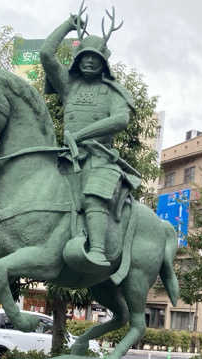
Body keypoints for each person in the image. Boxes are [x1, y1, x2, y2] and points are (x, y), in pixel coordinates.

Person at [40, 4, 139, 269]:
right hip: (66, 158)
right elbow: (46, 54)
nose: (90, 61)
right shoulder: (68, 85)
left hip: (99, 158)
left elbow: (121, 119)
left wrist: (82, 134)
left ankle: (96, 251)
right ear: (78, 58)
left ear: (103, 61)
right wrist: (67, 25)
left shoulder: (113, 91)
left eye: (95, 57)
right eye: (85, 56)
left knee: (94, 194)